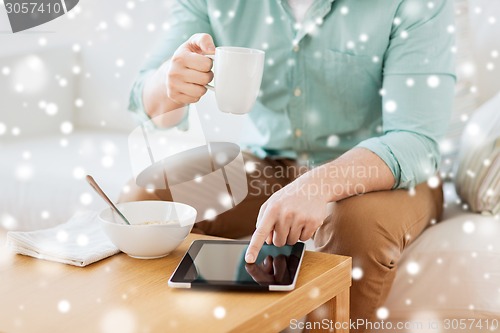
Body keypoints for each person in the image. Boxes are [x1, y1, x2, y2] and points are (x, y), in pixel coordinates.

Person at [122, 0, 455, 331]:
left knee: (355, 226)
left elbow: (416, 139)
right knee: (145, 200)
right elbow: (147, 102)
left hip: (379, 171)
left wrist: (319, 185)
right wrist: (171, 80)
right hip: (269, 160)